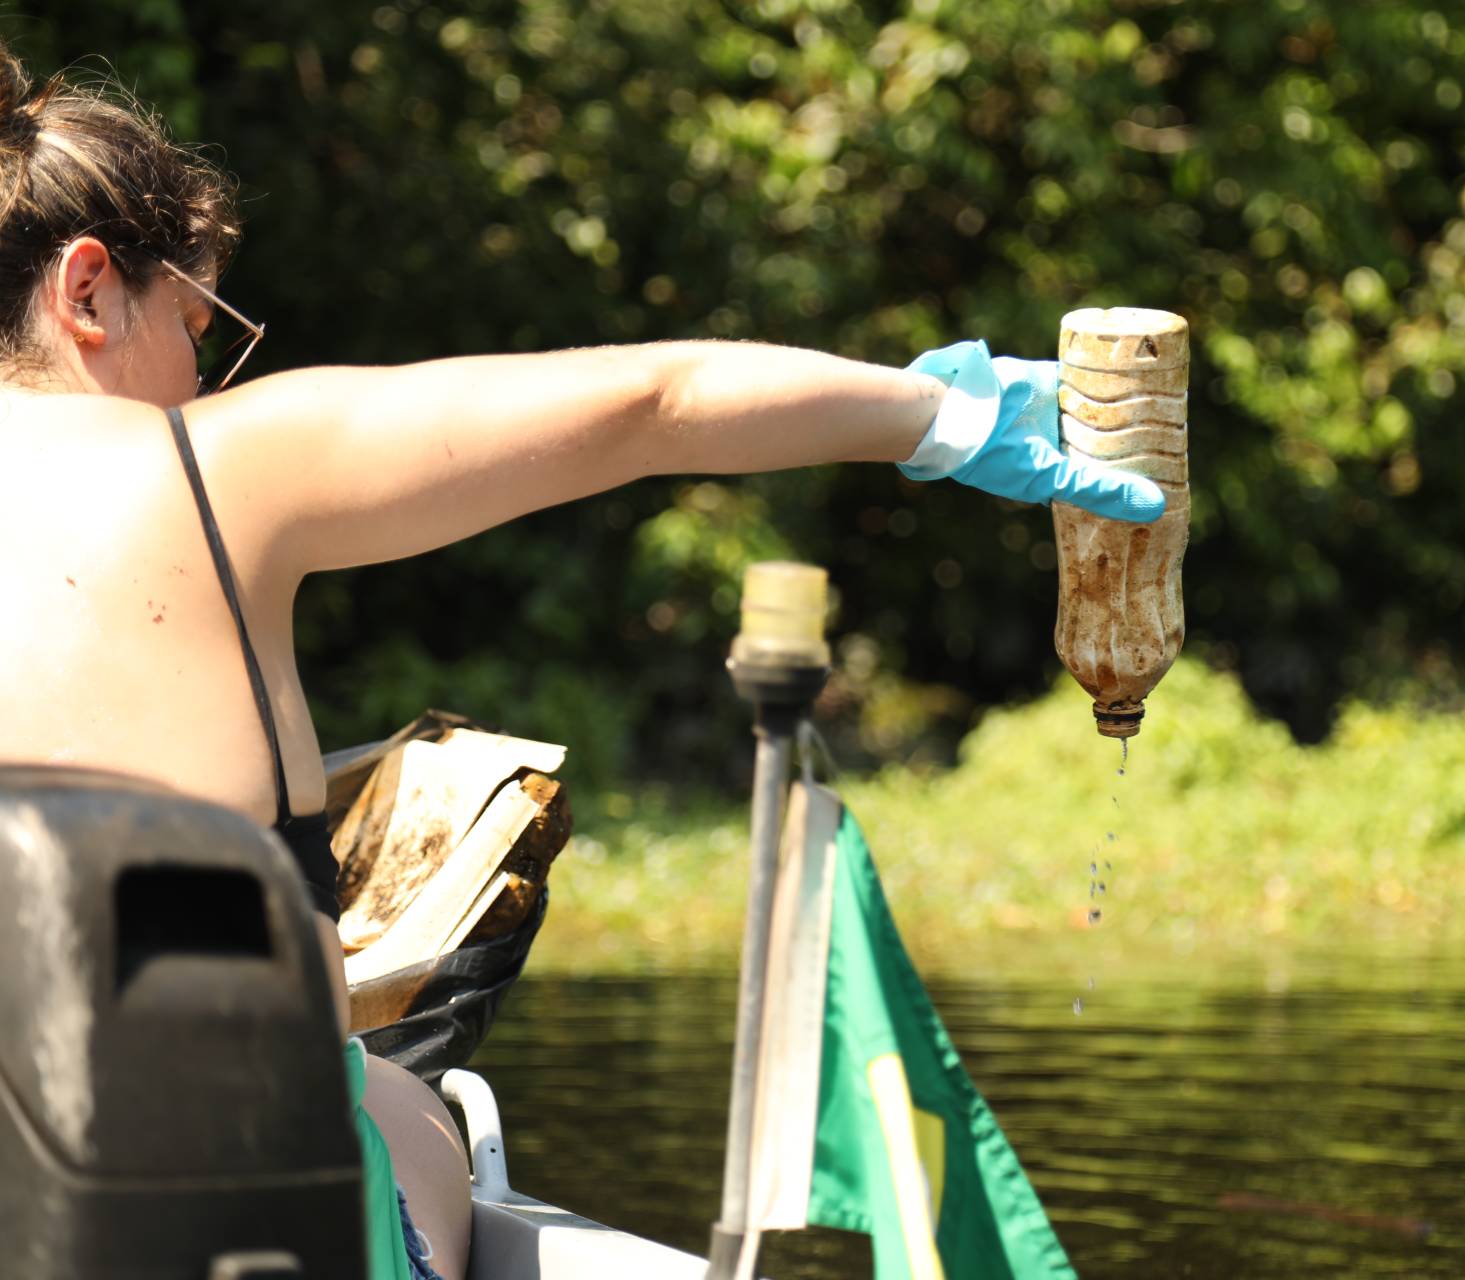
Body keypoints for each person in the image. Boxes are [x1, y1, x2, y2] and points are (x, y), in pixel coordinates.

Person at [0, 40, 1162, 1280]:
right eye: (196, 325)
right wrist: (942, 417)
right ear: (86, 290)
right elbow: (651, 404)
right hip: (234, 1228)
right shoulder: (215, 467)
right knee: (411, 1112)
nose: (207, 375)